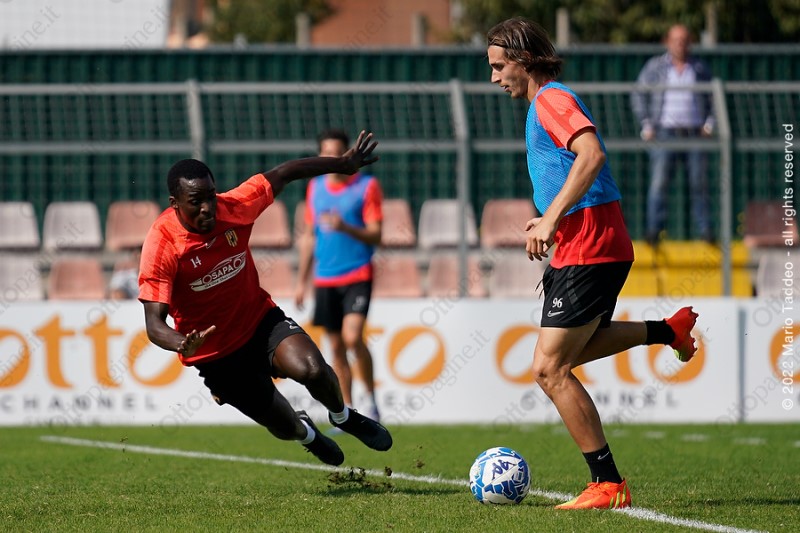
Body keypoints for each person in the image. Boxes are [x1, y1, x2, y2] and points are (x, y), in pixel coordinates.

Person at [487, 17, 699, 510]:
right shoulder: (543, 103)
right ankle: (668, 331)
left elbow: (591, 155)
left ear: (524, 59)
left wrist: (551, 218)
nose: (494, 77)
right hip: (586, 241)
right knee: (569, 354)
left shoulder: (551, 99)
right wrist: (551, 218)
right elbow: (574, 170)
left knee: (549, 368)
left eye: (499, 66)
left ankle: (607, 483)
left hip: (592, 245)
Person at [137, 130, 392, 467]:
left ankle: (343, 416)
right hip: (215, 354)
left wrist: (341, 165)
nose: (207, 208)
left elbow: (285, 172)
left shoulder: (235, 207)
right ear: (175, 203)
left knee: (314, 370)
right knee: (285, 426)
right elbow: (154, 324)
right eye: (196, 201)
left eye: (211, 196)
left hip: (259, 322)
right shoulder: (163, 245)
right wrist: (181, 343)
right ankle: (308, 434)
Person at [295, 128, 383, 422]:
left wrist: (345, 227)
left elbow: (376, 234)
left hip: (357, 273)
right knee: (335, 347)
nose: (331, 159)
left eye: (337, 153)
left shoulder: (366, 186)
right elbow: (309, 236)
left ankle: (371, 401)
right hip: (325, 278)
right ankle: (348, 412)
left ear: (348, 154)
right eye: (326, 153)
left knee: (352, 337)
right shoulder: (315, 187)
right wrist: (301, 281)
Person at [632, 24, 715, 246]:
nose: (680, 44)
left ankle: (706, 231)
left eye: (684, 40)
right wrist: (646, 124)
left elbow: (713, 97)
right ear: (667, 42)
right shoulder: (655, 67)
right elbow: (638, 94)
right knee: (659, 183)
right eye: (676, 40)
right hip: (665, 133)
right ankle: (654, 231)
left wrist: (709, 124)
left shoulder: (700, 68)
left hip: (694, 134)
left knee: (699, 183)